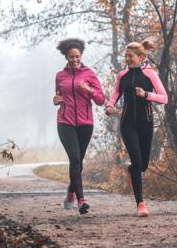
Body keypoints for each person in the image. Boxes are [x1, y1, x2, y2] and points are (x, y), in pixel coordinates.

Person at [105, 40, 168, 217]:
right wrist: (110, 106)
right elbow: (117, 93)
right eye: (125, 56)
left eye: (130, 56)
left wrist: (146, 94)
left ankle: (132, 169)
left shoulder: (150, 74)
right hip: (127, 124)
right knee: (137, 159)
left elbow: (164, 98)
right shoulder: (122, 75)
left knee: (142, 165)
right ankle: (140, 204)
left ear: (141, 57)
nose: (127, 59)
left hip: (146, 123)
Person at [53, 38, 105, 215]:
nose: (74, 60)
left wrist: (88, 90)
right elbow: (58, 97)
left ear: (81, 56)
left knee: (78, 162)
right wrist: (56, 100)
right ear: (66, 57)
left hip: (85, 123)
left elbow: (100, 100)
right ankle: (81, 200)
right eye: (71, 57)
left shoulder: (89, 74)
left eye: (77, 56)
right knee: (74, 158)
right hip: (65, 122)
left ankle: (70, 193)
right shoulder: (60, 75)